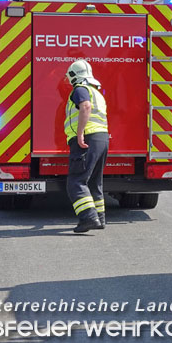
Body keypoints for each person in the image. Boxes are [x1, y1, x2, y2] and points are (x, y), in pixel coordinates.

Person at [64, 60, 109, 233]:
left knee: (76, 181)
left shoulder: (80, 90)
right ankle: (100, 218)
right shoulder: (96, 92)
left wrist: (80, 133)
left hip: (87, 138)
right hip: (102, 138)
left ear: (73, 76)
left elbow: (85, 107)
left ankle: (88, 218)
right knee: (95, 182)